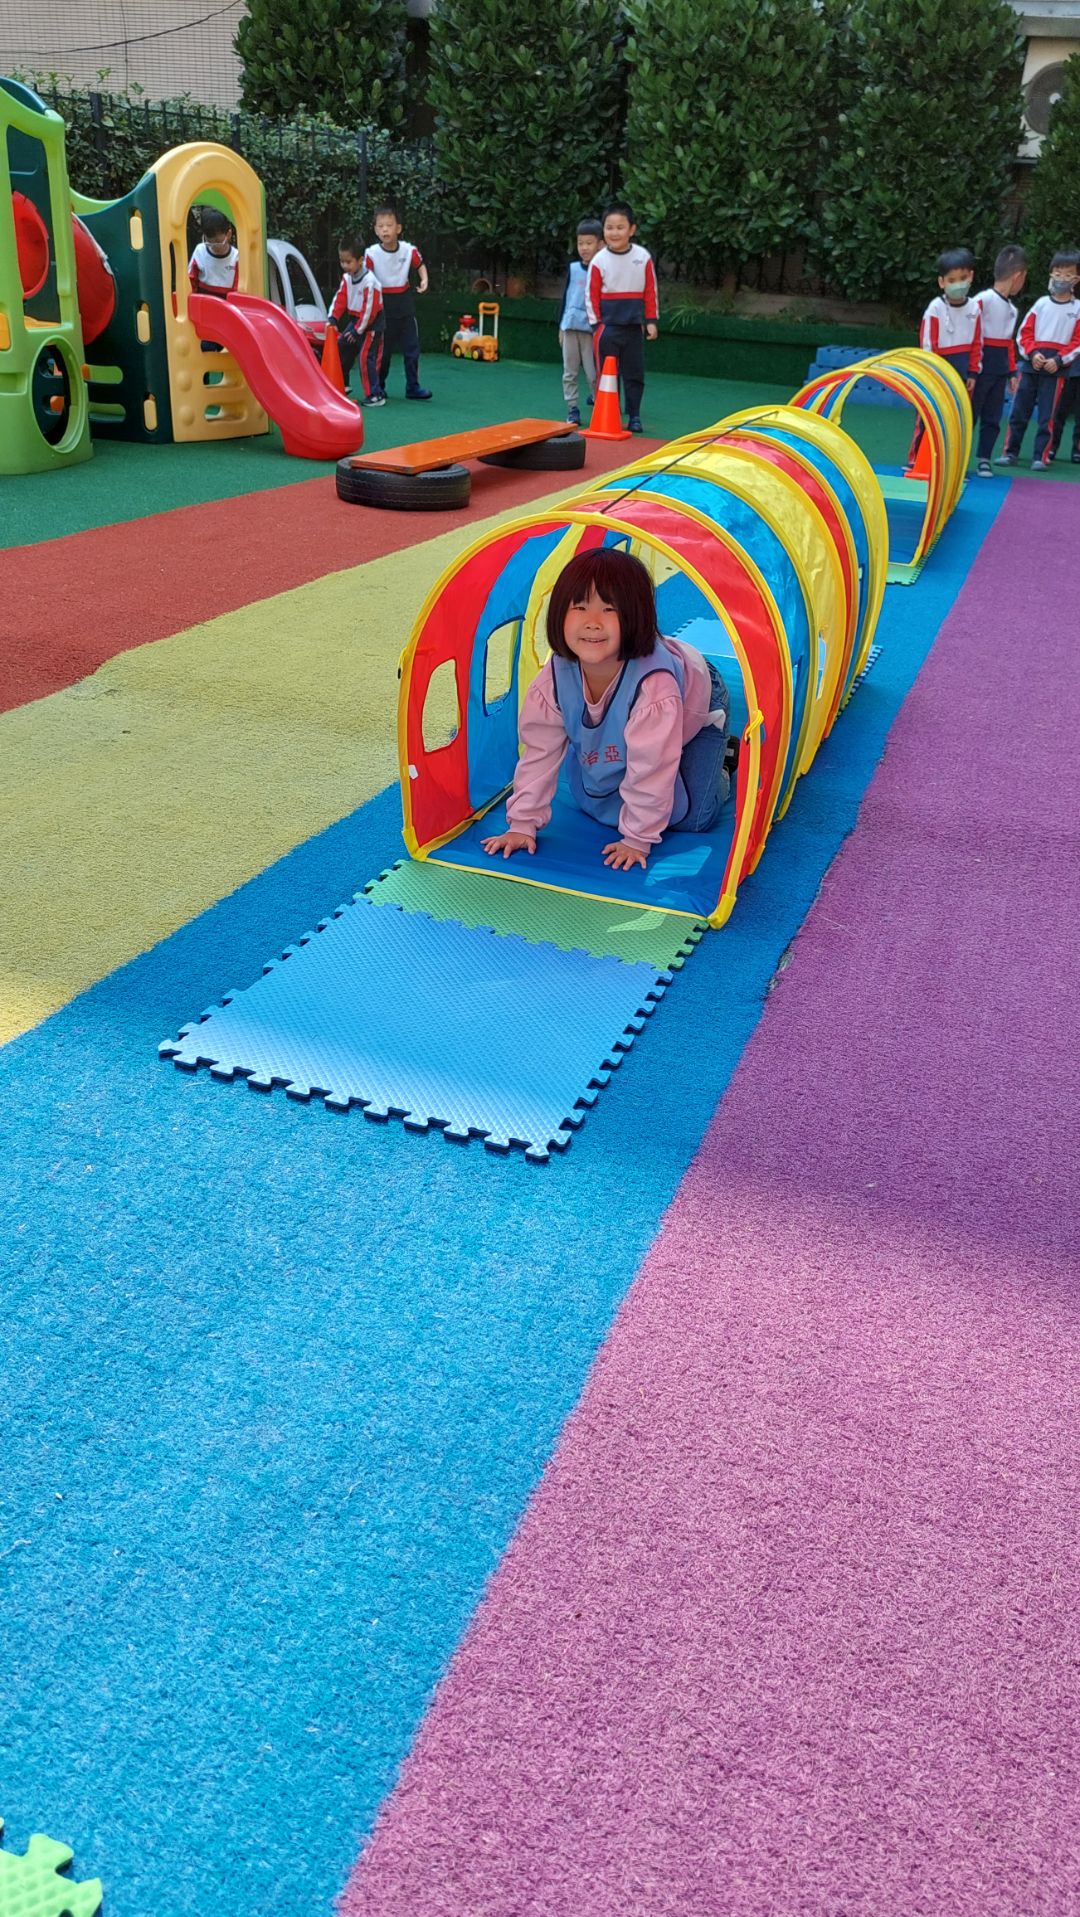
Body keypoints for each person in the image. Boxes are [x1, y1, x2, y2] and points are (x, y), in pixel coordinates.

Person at [482, 548, 731, 874]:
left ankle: (724, 762)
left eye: (609, 609)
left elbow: (651, 769)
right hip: (640, 718)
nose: (592, 622)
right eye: (579, 607)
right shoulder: (555, 679)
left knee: (693, 817)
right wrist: (522, 824)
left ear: (635, 617)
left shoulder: (654, 688)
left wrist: (637, 839)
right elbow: (539, 753)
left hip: (693, 703)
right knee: (593, 799)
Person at [1000, 251, 1080, 469]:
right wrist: (1033, 353)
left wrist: (1059, 360)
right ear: (1051, 274)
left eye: (1067, 275)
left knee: (1048, 416)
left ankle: (1040, 456)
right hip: (1030, 368)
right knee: (1019, 412)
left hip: (1056, 372)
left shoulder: (1077, 309)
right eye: (1057, 273)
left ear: (1076, 279)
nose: (1061, 279)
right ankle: (1010, 453)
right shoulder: (1041, 304)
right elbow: (1023, 333)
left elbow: (1077, 342)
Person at [585, 201, 659, 435]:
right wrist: (597, 325)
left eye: (620, 227)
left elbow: (650, 291)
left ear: (632, 229)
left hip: (633, 328)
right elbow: (591, 295)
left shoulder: (642, 257)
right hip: (607, 328)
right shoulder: (599, 260)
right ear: (603, 230)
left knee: (634, 373)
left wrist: (651, 320)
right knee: (607, 374)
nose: (614, 233)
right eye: (609, 228)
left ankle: (634, 415)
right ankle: (610, 414)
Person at [909, 247, 982, 462]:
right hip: (937, 370)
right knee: (928, 415)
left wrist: (973, 372)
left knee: (959, 418)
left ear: (971, 277)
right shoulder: (935, 308)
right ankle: (916, 458)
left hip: (963, 371)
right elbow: (928, 343)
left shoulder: (974, 309)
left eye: (963, 278)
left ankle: (953, 463)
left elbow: (977, 342)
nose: (958, 284)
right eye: (952, 280)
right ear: (942, 282)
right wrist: (933, 372)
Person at [364, 204, 431, 400]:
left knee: (412, 349)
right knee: (383, 353)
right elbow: (366, 278)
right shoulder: (371, 253)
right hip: (383, 306)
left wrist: (424, 280)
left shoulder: (409, 250)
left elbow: (420, 265)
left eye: (389, 225)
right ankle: (379, 387)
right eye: (381, 226)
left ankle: (413, 387)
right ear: (375, 230)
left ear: (398, 228)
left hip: (405, 304)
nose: (385, 230)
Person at [970, 244, 1027, 476]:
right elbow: (970, 331)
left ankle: (984, 457)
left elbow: (1008, 342)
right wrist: (971, 368)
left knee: (993, 416)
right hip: (980, 368)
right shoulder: (982, 300)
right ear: (1018, 276)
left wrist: (1012, 372)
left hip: (1000, 370)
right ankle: (958, 458)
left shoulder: (1013, 310)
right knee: (970, 414)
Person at [328, 236, 385, 405]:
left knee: (365, 358)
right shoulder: (347, 278)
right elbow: (340, 299)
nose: (345, 265)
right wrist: (333, 318)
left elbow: (369, 311)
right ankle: (343, 384)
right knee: (341, 346)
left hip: (372, 325)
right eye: (342, 261)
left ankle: (375, 394)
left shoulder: (370, 282)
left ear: (360, 260)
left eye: (348, 262)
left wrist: (357, 331)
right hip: (356, 321)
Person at [559, 218, 603, 425]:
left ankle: (599, 401)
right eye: (580, 243)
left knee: (593, 373)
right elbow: (566, 297)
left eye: (589, 243)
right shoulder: (574, 268)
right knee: (570, 370)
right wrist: (561, 327)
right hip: (570, 327)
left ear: (600, 244)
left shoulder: (603, 270)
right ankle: (572, 408)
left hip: (591, 330)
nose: (584, 248)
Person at [188, 208, 238, 298]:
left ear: (228, 234)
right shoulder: (200, 252)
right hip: (203, 300)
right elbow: (190, 282)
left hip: (227, 301)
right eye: (209, 243)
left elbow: (237, 291)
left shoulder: (236, 258)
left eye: (218, 242)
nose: (213, 247)